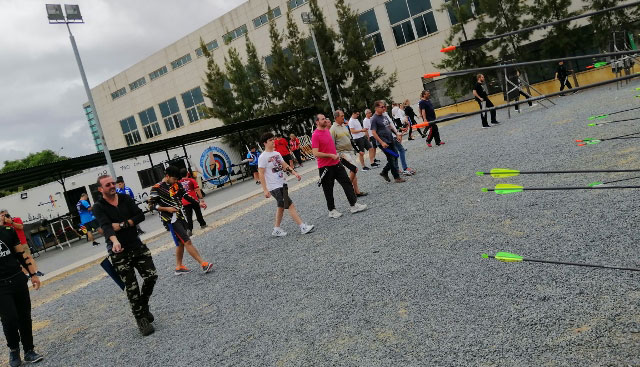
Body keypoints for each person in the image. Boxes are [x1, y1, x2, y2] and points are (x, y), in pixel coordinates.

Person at [93, 175, 157, 337]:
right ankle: (141, 320)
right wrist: (114, 241)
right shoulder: (99, 207)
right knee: (132, 287)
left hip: (136, 244)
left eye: (113, 183)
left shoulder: (125, 198)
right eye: (108, 185)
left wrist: (123, 225)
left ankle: (143, 306)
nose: (112, 186)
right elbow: (106, 227)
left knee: (151, 276)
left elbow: (140, 215)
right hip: (118, 252)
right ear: (101, 189)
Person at [149, 166, 214, 276]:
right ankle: (203, 264)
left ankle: (179, 267)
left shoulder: (176, 184)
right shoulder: (156, 188)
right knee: (187, 240)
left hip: (180, 216)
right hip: (169, 219)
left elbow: (185, 195)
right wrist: (166, 209)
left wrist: (198, 203)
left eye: (177, 179)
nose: (176, 181)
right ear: (167, 176)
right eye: (174, 179)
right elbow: (151, 206)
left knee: (180, 243)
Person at [0, 220, 43, 367]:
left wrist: (33, 274)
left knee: (24, 316)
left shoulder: (7, 231)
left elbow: (21, 254)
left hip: (17, 279)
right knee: (9, 319)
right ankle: (13, 350)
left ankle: (29, 351)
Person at [258, 132, 315, 237]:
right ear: (264, 143)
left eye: (273, 139)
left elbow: (284, 165)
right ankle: (302, 226)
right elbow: (261, 173)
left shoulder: (277, 154)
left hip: (282, 183)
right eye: (270, 140)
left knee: (281, 206)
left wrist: (294, 173)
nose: (273, 142)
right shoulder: (262, 157)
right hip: (274, 186)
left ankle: (276, 229)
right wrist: (265, 190)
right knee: (290, 204)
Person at [312, 114, 367, 218]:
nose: (325, 120)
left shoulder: (327, 131)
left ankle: (353, 205)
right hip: (325, 167)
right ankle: (332, 210)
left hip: (336, 163)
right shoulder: (315, 135)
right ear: (317, 122)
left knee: (346, 183)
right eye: (323, 119)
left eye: (325, 118)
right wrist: (330, 155)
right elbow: (315, 153)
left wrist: (337, 155)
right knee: (328, 189)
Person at [330, 110, 367, 197]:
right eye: (342, 116)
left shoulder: (344, 126)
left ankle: (356, 191)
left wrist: (358, 150)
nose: (343, 117)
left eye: (343, 116)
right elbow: (331, 144)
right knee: (354, 168)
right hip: (342, 153)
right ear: (336, 117)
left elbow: (350, 139)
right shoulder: (333, 129)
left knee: (353, 170)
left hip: (350, 151)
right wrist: (335, 156)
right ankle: (348, 187)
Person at [370, 100, 406, 183]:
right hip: (383, 143)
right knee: (391, 158)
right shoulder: (374, 119)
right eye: (382, 107)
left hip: (390, 140)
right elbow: (373, 133)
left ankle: (384, 172)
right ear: (376, 108)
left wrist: (397, 133)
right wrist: (381, 142)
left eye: (384, 106)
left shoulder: (384, 115)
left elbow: (389, 126)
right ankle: (396, 177)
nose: (384, 108)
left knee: (395, 156)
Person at [0, 210, 43, 277]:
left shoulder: (16, 219)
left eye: (5, 215)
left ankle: (36, 271)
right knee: (19, 260)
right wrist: (2, 222)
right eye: (2, 215)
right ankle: (27, 274)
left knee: (28, 257)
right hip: (12, 245)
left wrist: (11, 222)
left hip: (22, 242)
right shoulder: (2, 225)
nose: (4, 217)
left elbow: (21, 227)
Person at [179, 168, 207, 236]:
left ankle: (190, 230)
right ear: (187, 173)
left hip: (185, 201)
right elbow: (197, 190)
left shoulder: (179, 183)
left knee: (188, 216)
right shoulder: (192, 180)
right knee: (198, 213)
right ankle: (202, 224)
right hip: (194, 200)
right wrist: (201, 199)